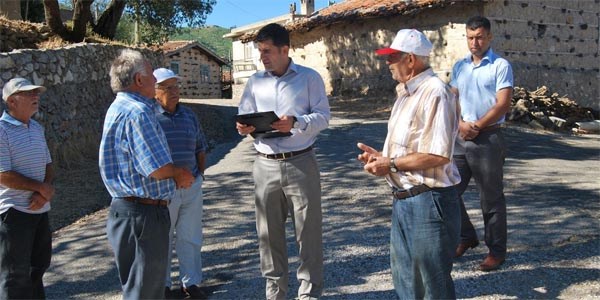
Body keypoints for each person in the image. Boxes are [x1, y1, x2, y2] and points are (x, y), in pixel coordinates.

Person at [357, 29, 461, 299]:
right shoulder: (405, 93)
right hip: (405, 199)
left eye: (393, 57)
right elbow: (410, 149)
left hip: (428, 201)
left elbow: (438, 155)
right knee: (405, 280)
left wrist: (390, 164)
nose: (387, 63)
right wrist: (381, 158)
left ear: (411, 60)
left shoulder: (435, 92)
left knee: (432, 285)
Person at [236, 23, 330, 300]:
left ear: (285, 50)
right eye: (259, 52)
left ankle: (309, 294)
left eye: (267, 51)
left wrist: (296, 122)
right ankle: (275, 293)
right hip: (264, 164)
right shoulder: (255, 82)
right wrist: (244, 127)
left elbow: (324, 117)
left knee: (308, 233)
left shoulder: (310, 78)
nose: (262, 57)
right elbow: (244, 114)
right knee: (268, 236)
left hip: (301, 162)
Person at [99, 49, 195, 299]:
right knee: (144, 291)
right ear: (139, 80)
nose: (155, 79)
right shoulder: (137, 113)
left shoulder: (122, 107)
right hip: (143, 216)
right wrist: (179, 174)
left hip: (134, 213)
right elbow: (156, 168)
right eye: (152, 74)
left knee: (142, 289)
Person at [450, 16, 513, 272]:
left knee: (491, 199)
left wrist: (476, 126)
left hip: (488, 138)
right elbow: (452, 98)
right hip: (461, 138)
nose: (474, 42)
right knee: (448, 191)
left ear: (489, 37)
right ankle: (467, 236)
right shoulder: (459, 66)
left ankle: (496, 252)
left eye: (479, 37)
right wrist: (461, 124)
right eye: (469, 37)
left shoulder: (500, 65)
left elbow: (502, 104)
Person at [153, 68, 209, 299]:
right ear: (155, 92)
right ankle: (162, 286)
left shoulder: (189, 115)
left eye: (176, 87)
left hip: (192, 187)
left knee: (191, 236)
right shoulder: (150, 118)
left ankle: (191, 283)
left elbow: (200, 147)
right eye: (168, 87)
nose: (175, 92)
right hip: (164, 189)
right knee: (163, 239)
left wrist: (200, 176)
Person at [0, 78, 54, 299]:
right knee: (14, 277)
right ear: (12, 101)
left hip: (39, 211)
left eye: (36, 93)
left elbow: (48, 164)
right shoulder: (1, 131)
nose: (35, 97)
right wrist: (40, 188)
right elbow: (3, 174)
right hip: (14, 214)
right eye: (28, 93)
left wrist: (45, 191)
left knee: (37, 269)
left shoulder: (36, 128)